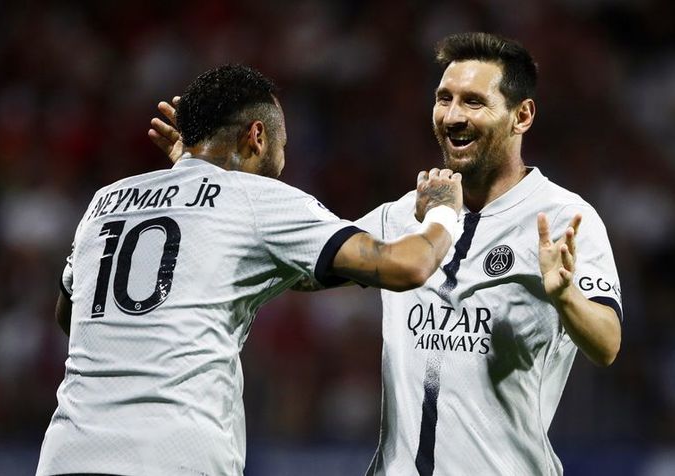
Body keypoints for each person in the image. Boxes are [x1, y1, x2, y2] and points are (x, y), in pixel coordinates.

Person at [150, 33, 623, 475]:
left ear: (522, 116)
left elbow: (606, 344)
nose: (452, 116)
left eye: (473, 102)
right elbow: (293, 266)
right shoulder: (403, 216)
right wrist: (204, 174)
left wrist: (566, 298)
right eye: (444, 98)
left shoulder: (562, 218)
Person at [36, 64, 464, 476]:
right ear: (257, 136)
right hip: (170, 457)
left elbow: (71, 317)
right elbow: (408, 265)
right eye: (283, 147)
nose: (283, 161)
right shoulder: (254, 197)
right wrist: (444, 211)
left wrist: (187, 178)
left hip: (65, 456)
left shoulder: (105, 201)